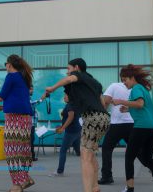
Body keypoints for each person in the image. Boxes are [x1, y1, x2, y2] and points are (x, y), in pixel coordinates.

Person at [42, 58, 110, 192]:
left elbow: (68, 80)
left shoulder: (79, 76)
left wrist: (52, 87)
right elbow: (102, 103)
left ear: (77, 67)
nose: (67, 72)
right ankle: (95, 187)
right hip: (104, 118)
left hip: (92, 118)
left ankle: (88, 190)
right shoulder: (94, 82)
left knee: (85, 157)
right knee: (90, 154)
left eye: (68, 69)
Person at [0, 54, 34, 192]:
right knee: (21, 151)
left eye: (6, 64)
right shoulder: (23, 78)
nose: (5, 66)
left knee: (11, 151)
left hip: (14, 120)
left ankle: (17, 185)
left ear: (9, 65)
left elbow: (2, 96)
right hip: (25, 119)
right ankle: (25, 178)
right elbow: (17, 98)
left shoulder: (11, 76)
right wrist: (5, 106)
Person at [98, 82, 153, 186]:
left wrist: (101, 101)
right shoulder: (135, 88)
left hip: (117, 124)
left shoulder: (114, 86)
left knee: (107, 148)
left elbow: (106, 101)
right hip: (132, 123)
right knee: (136, 151)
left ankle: (107, 176)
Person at [112, 64, 153, 192]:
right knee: (146, 157)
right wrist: (128, 108)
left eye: (125, 80)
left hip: (142, 127)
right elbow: (144, 107)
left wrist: (121, 101)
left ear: (132, 78)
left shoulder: (136, 88)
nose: (124, 83)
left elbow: (140, 104)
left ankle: (130, 188)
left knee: (129, 158)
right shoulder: (143, 88)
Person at [49, 92, 81, 177]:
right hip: (77, 131)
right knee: (80, 152)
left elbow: (71, 117)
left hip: (71, 131)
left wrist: (63, 128)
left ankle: (60, 171)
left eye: (66, 95)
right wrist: (62, 126)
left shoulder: (70, 105)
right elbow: (69, 118)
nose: (64, 97)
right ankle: (92, 168)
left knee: (63, 151)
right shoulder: (74, 104)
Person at [29, 86, 38, 162]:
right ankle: (31, 156)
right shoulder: (26, 98)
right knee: (31, 140)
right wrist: (42, 98)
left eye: (32, 89)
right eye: (31, 89)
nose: (32, 91)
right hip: (29, 124)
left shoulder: (28, 98)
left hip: (31, 123)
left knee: (31, 140)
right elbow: (33, 104)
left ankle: (31, 156)